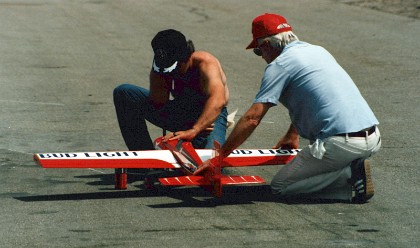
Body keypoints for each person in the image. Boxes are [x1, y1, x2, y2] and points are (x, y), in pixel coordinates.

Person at [195, 13, 381, 203]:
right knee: (317, 165)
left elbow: (252, 118)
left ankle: (349, 174)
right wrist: (293, 134)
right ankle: (351, 171)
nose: (261, 57)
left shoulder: (279, 65)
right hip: (373, 138)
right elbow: (312, 98)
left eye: (258, 51)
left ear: (266, 45)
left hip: (341, 144)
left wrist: (219, 159)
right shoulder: (318, 50)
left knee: (280, 187)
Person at [113, 29, 229, 153]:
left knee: (210, 162)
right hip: (180, 111)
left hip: (209, 117)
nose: (171, 73)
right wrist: (161, 76)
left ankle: (197, 141)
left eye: (174, 68)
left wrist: (195, 130)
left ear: (186, 57)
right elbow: (159, 102)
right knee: (124, 93)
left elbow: (218, 100)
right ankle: (145, 158)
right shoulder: (160, 68)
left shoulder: (205, 63)